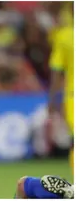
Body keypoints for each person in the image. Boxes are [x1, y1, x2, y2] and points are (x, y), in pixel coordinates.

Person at [48, 9, 74, 175]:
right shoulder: (64, 36)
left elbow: (57, 70)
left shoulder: (64, 36)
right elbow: (57, 70)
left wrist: (52, 100)